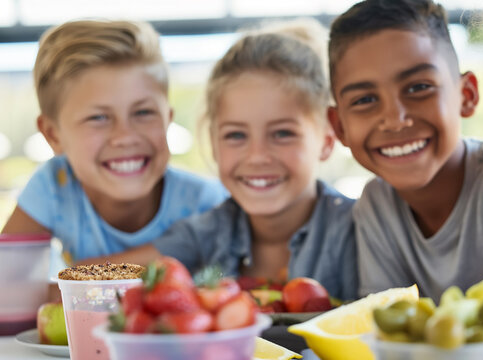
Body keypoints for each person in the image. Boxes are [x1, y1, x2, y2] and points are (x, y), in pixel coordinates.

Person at [327, 0, 483, 342]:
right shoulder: (376, 205)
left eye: (418, 88)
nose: (395, 119)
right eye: (364, 100)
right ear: (338, 127)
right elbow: (384, 333)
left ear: (466, 95)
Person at [79, 19, 358, 300]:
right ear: (213, 143)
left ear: (326, 140)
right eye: (236, 135)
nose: (257, 156)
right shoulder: (204, 233)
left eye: (283, 133)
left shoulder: (357, 230)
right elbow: (85, 281)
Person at [1, 20, 227, 264]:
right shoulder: (54, 186)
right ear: (53, 135)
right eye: (98, 118)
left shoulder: (208, 203)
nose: (125, 137)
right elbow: (8, 280)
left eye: (143, 113)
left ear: (167, 120)